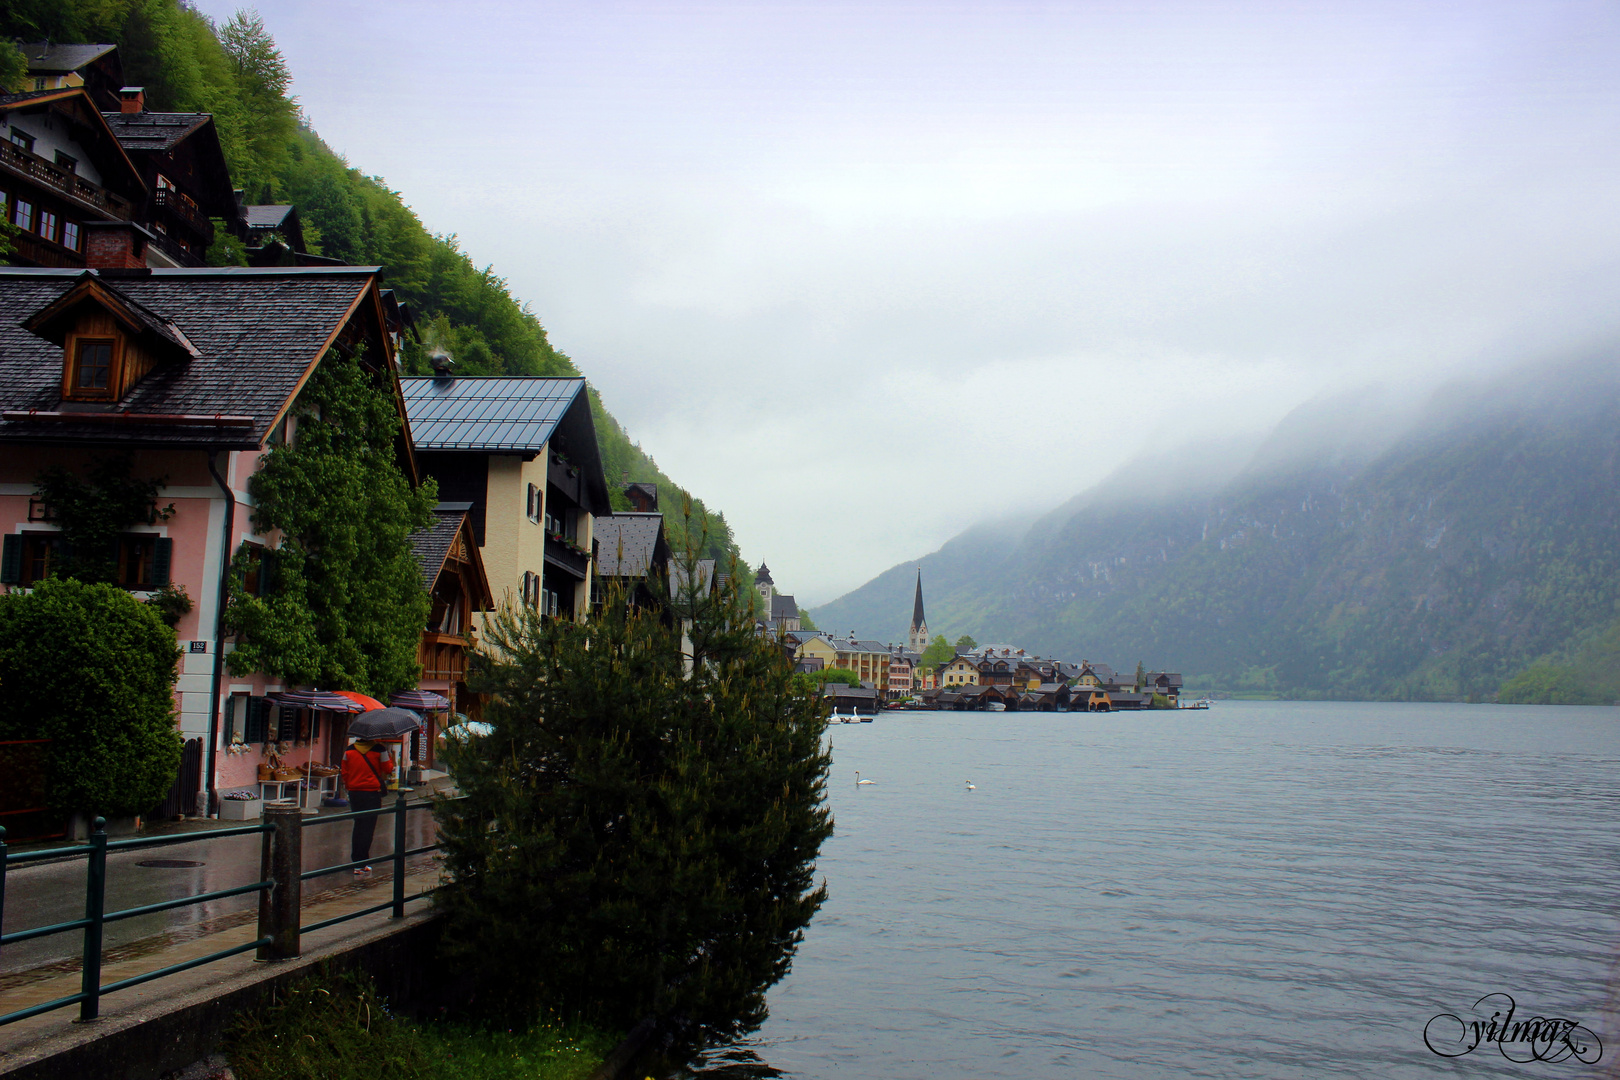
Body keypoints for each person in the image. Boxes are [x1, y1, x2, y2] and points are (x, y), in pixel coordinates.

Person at [342, 739, 393, 874]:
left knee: (358, 825)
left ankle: (356, 861)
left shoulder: (349, 750)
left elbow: (344, 772)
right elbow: (388, 769)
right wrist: (389, 756)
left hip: (355, 793)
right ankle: (362, 862)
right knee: (368, 827)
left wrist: (350, 787)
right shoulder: (379, 749)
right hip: (371, 793)